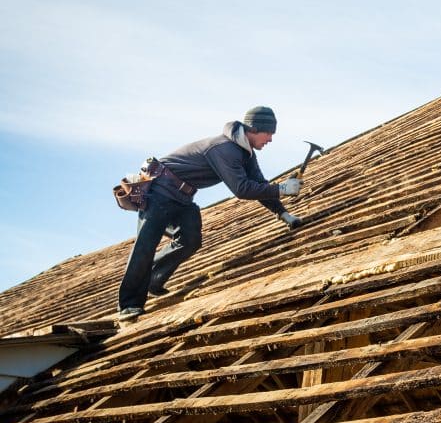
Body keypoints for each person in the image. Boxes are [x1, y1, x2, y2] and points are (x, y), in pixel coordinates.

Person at [116, 106, 303, 321]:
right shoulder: (224, 148)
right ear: (254, 128)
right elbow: (242, 189)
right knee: (145, 246)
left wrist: (284, 215)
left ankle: (153, 278)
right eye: (268, 133)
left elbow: (259, 185)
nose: (270, 139)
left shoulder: (246, 153)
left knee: (191, 239)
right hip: (159, 192)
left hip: (182, 198)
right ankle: (129, 304)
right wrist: (282, 189)